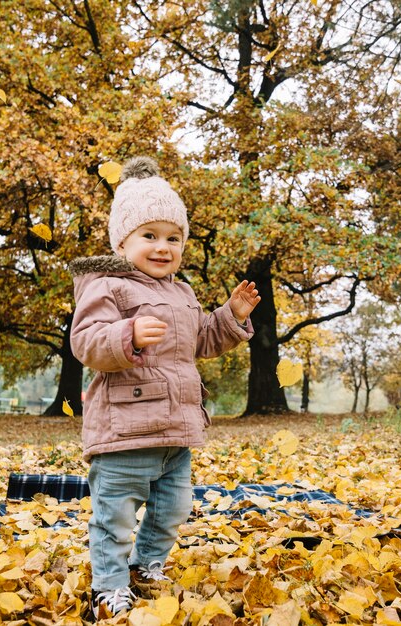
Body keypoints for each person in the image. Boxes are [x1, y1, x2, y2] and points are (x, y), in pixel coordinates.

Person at [69, 156, 261, 620]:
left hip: (176, 431)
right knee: (115, 516)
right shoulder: (107, 285)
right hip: (124, 433)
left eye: (173, 238)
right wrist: (126, 335)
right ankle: (109, 585)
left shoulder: (182, 292)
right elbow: (86, 341)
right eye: (149, 236)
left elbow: (200, 341)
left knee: (172, 509)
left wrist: (231, 317)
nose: (163, 247)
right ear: (122, 241)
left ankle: (148, 563)